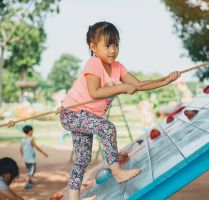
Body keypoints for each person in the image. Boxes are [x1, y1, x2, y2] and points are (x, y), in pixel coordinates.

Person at [59, 21, 181, 200]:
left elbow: (138, 85)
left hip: (87, 115)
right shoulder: (93, 64)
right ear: (93, 47)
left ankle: (74, 198)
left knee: (82, 159)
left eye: (116, 44)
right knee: (108, 128)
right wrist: (122, 88)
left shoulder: (118, 67)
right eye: (107, 45)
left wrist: (165, 81)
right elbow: (95, 92)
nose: (112, 50)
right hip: (72, 113)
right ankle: (117, 171)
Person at [20, 125, 48, 189]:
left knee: (29, 170)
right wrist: (44, 153)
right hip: (31, 159)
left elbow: (20, 149)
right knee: (31, 171)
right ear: (29, 131)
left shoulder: (23, 139)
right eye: (31, 130)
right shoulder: (31, 139)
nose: (32, 132)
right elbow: (37, 147)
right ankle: (27, 183)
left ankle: (29, 181)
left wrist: (23, 156)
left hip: (26, 158)